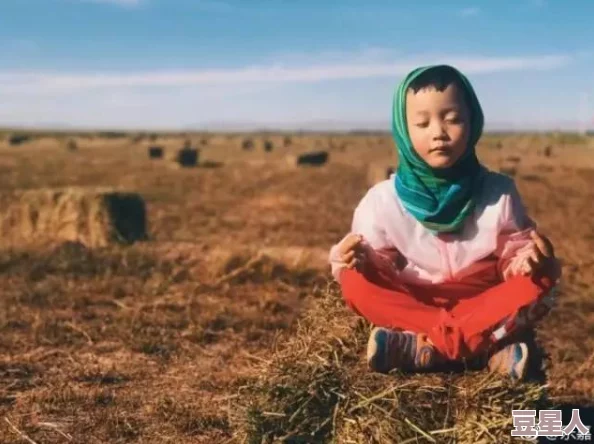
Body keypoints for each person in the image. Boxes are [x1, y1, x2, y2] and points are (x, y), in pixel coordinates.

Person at [328, 64, 561, 381]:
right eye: (422, 123)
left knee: (543, 277)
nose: (438, 131)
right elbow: (380, 265)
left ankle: (428, 348)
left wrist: (528, 262)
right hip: (416, 304)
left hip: (483, 303)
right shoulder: (381, 201)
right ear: (403, 130)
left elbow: (512, 253)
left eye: (453, 119)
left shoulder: (498, 192)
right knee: (355, 283)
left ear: (473, 121)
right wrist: (355, 260)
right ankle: (480, 348)